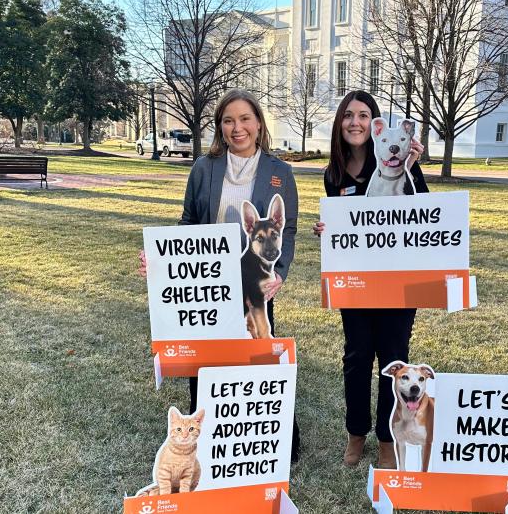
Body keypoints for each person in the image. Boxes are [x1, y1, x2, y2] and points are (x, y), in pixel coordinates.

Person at [140, 88, 300, 460]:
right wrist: (162, 263)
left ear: (259, 124)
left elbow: (287, 229)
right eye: (228, 120)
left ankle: (277, 441)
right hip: (207, 283)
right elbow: (189, 222)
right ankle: (205, 440)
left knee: (260, 361)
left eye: (245, 119)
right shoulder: (204, 167)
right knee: (205, 363)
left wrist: (281, 274)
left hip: (256, 285)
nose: (237, 128)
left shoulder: (279, 172)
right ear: (220, 127)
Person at [313, 90, 428, 470]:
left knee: (393, 360)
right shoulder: (335, 174)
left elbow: (426, 212)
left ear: (377, 126)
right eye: (349, 115)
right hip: (357, 282)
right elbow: (343, 227)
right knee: (357, 358)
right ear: (340, 124)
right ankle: (356, 433)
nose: (355, 122)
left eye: (364, 115)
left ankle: (386, 438)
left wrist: (413, 165)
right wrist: (326, 230)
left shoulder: (406, 162)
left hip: (400, 281)